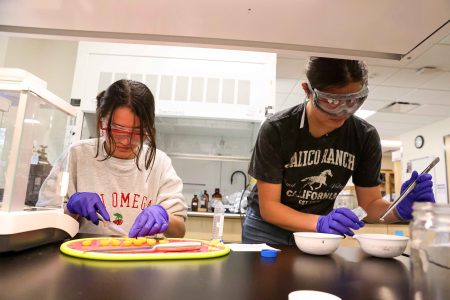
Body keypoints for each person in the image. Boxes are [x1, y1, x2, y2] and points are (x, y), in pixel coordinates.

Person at [242, 57, 435, 245]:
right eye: (331, 102)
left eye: (353, 101)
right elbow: (270, 208)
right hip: (266, 229)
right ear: (308, 91)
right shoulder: (277, 129)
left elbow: (370, 205)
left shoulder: (365, 136)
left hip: (317, 232)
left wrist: (397, 209)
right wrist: (320, 222)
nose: (343, 112)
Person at [38, 79, 187, 238]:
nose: (125, 141)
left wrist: (164, 216)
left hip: (142, 257)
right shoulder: (77, 155)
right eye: (116, 129)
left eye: (137, 132)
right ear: (102, 120)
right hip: (86, 255)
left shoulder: (159, 162)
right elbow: (44, 225)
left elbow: (179, 231)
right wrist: (71, 210)